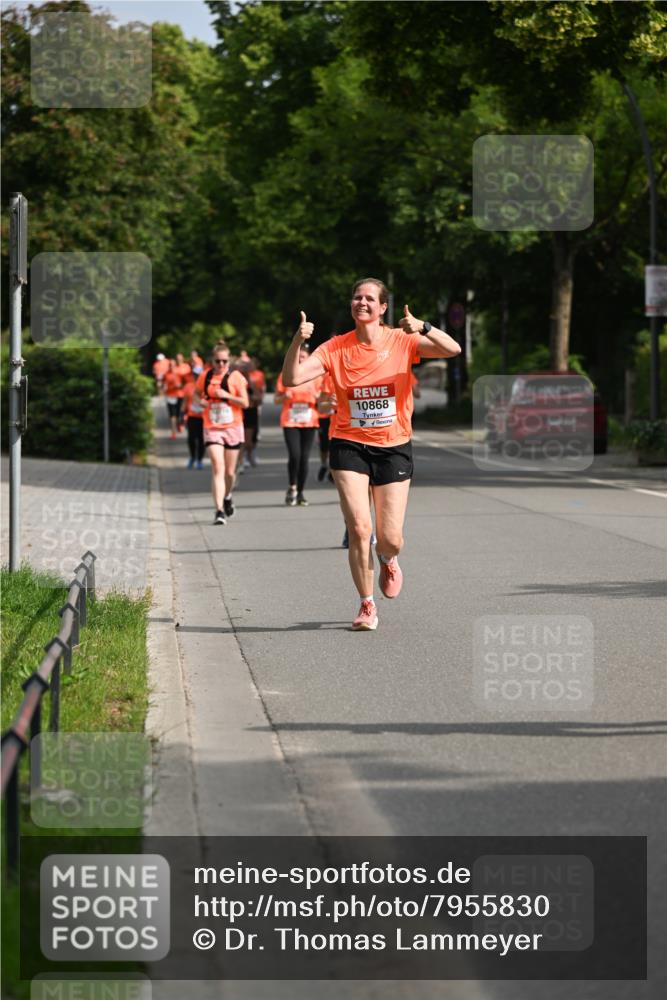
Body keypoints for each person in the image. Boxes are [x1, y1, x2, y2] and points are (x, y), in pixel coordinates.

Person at [281, 279, 460, 630]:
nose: (361, 302)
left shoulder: (402, 340)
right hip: (348, 442)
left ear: (382, 308)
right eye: (356, 297)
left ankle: (389, 558)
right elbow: (292, 378)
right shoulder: (335, 348)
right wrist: (297, 341)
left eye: (369, 298)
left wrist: (423, 326)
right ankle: (366, 604)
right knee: (360, 528)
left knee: (390, 536)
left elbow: (452, 349)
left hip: (393, 445)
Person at [193, 342, 249, 524]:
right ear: (212, 361)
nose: (221, 365)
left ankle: (228, 495)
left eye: (225, 361)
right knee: (218, 467)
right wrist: (199, 401)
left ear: (229, 361)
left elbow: (245, 403)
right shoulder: (205, 376)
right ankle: (218, 511)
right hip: (212, 427)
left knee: (230, 473)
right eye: (218, 361)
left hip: (233, 427)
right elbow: (195, 393)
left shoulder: (236, 377)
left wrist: (227, 396)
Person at [275, 345, 322, 507]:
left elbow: (322, 401)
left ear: (308, 358)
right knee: (295, 455)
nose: (301, 359)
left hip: (309, 421)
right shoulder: (285, 375)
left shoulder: (316, 377)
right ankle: (292, 487)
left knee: (304, 458)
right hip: (290, 420)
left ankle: (301, 491)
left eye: (303, 357)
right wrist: (283, 397)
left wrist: (317, 396)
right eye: (299, 356)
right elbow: (276, 399)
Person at [182, 373, 205, 469]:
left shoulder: (207, 386)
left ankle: (199, 460)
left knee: (201, 439)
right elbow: (185, 401)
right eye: (195, 374)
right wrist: (182, 415)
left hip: (204, 417)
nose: (197, 376)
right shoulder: (188, 386)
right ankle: (192, 457)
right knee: (191, 438)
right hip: (191, 416)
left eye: (199, 374)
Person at [162, 359, 184, 439]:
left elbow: (184, 383)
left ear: (175, 365)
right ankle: (173, 432)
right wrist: (167, 388)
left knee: (178, 414)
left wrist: (180, 386)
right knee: (172, 415)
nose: (171, 366)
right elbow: (164, 385)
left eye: (173, 365)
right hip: (170, 396)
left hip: (179, 395)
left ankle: (179, 424)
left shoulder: (179, 373)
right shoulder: (166, 374)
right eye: (170, 365)